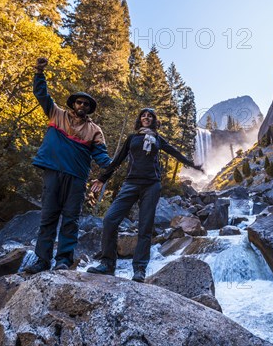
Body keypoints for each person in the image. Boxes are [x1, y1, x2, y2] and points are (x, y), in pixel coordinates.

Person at [88, 107, 203, 282]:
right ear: (140, 119)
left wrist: (193, 165)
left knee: (145, 226)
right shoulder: (132, 138)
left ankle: (139, 269)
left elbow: (175, 152)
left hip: (151, 185)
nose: (146, 118)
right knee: (110, 219)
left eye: (150, 116)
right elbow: (118, 159)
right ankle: (107, 264)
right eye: (143, 115)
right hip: (131, 183)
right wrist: (103, 178)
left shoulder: (157, 139)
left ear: (154, 120)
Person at [24, 57, 112, 274]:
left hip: (76, 178)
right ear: (73, 103)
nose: (82, 105)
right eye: (79, 102)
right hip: (53, 172)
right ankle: (42, 260)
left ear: (90, 108)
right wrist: (39, 73)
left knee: (71, 220)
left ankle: (63, 259)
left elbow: (102, 156)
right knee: (48, 218)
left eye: (86, 104)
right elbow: (41, 95)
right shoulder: (56, 114)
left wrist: (111, 170)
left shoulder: (95, 131)